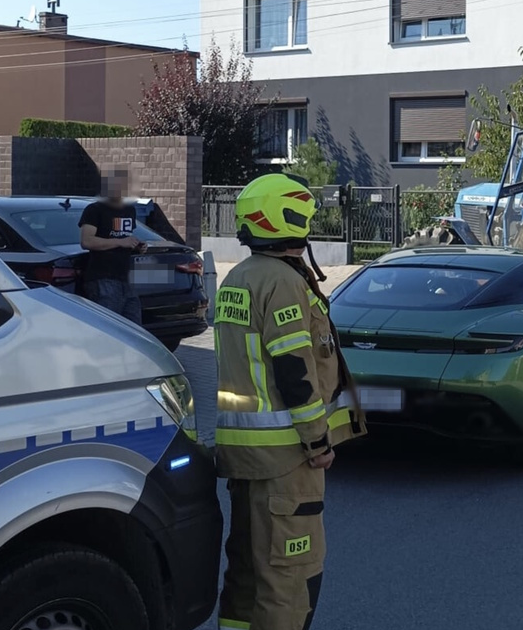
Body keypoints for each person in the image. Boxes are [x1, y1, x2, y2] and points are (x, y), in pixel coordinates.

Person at [214, 172, 366, 630]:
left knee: (246, 578)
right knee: (288, 582)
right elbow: (294, 371)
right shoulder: (282, 282)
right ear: (285, 217)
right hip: (285, 462)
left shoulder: (238, 278)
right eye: (302, 213)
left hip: (245, 458)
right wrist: (318, 443)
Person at [77, 167, 146, 323]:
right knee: (108, 327)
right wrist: (121, 242)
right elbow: (87, 241)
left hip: (126, 279)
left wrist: (136, 245)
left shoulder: (129, 210)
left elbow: (124, 238)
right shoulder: (94, 210)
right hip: (103, 279)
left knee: (134, 329)